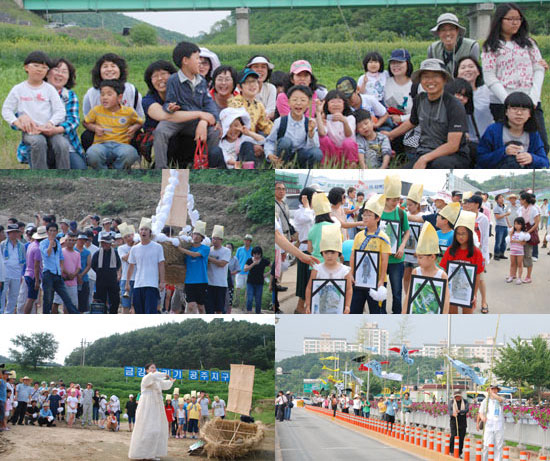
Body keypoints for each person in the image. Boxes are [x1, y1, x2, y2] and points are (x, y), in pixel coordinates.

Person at [481, 3, 548, 153]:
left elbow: (539, 68)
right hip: (501, 102)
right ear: (500, 20)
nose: (515, 22)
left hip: (531, 101)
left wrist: (532, 98)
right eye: (510, 19)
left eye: (518, 19)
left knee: (541, 143)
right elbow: (490, 76)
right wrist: (508, 101)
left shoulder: (529, 43)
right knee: (506, 146)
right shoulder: (491, 46)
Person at [384, 59, 470, 168]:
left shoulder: (454, 105)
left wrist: (425, 158)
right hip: (424, 152)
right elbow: (412, 122)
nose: (430, 81)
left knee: (439, 165)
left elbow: (452, 145)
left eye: (435, 76)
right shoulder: (420, 99)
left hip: (452, 156)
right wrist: (390, 135)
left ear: (444, 79)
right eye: (426, 77)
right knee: (402, 176)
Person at [152, 41, 223, 170]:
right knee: (161, 131)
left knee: (214, 131)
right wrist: (170, 107)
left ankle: (206, 165)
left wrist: (214, 119)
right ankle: (160, 167)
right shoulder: (174, 80)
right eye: (197, 59)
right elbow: (168, 102)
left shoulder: (201, 81)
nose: (199, 63)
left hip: (195, 121)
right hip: (179, 119)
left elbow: (208, 103)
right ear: (185, 61)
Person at [2, 51, 69, 169]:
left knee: (62, 144)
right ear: (26, 67)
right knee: (38, 142)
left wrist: (50, 123)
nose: (39, 70)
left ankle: (64, 175)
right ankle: (40, 176)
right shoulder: (18, 89)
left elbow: (60, 111)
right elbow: (6, 110)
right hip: (30, 131)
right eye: (36, 66)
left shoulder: (49, 89)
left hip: (48, 129)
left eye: (44, 67)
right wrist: (18, 123)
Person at [477, 92, 548, 168]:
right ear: (506, 112)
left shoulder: (533, 133)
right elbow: (480, 159)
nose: (519, 113)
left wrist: (532, 158)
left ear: (530, 114)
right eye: (514, 109)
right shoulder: (493, 130)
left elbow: (545, 162)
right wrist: (503, 152)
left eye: (524, 109)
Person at [84, 79, 142, 169]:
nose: (104, 97)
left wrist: (134, 128)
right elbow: (86, 122)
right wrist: (94, 128)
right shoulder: (96, 110)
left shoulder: (128, 112)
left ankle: (117, 170)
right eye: (102, 94)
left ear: (119, 97)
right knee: (92, 154)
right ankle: (103, 171)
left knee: (131, 153)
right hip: (101, 144)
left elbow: (140, 122)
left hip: (122, 144)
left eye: (109, 94)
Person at [349, 194, 391, 314]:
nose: (365, 217)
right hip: (358, 280)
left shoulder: (383, 237)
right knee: (354, 310)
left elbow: (384, 260)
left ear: (377, 218)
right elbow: (353, 256)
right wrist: (352, 273)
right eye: (364, 214)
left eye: (369, 215)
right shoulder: (358, 236)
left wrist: (381, 280)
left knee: (376, 312)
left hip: (376, 281)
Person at [265, 85, 322, 167]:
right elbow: (270, 141)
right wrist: (269, 154)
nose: (298, 103)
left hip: (300, 156)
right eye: (295, 100)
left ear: (309, 103)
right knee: (285, 142)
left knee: (317, 153)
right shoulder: (280, 121)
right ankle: (281, 167)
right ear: (288, 102)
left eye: (303, 100)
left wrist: (311, 133)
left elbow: (314, 148)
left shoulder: (310, 123)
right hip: (283, 154)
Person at [440, 210, 484, 314]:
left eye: (463, 234)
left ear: (469, 234)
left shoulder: (476, 252)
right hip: (452, 289)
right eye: (458, 234)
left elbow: (477, 275)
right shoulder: (450, 250)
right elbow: (444, 271)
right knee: (452, 313)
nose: (460, 237)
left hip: (468, 289)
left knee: (467, 314)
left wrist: (474, 294)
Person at [128, 363, 175, 459]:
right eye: (152, 367)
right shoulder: (146, 378)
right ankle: (141, 453)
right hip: (147, 405)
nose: (154, 369)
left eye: (155, 367)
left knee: (157, 429)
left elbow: (165, 385)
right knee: (146, 428)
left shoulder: (157, 380)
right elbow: (153, 376)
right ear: (147, 370)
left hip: (156, 405)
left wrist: (171, 381)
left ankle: (152, 454)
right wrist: (164, 374)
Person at [403, 222, 450, 313]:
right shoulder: (416, 271)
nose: (418, 261)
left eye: (421, 257)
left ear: (432, 257)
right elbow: (409, 295)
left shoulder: (442, 275)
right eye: (417, 257)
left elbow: (446, 300)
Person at [305, 224, 352, 315]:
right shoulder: (317, 269)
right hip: (320, 309)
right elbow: (309, 287)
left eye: (333, 252)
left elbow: (349, 289)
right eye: (326, 252)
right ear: (322, 253)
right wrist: (308, 304)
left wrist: (347, 305)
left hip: (337, 309)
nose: (329, 256)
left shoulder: (345, 271)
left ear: (338, 253)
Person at [382, 175, 410, 314]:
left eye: (397, 200)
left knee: (397, 290)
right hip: (381, 258)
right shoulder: (378, 212)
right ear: (386, 198)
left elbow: (407, 232)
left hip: (397, 258)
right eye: (393, 200)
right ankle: (381, 312)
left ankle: (397, 314)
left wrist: (401, 246)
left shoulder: (401, 213)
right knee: (381, 288)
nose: (395, 202)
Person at [126, 218, 165, 315]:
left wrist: (162, 281)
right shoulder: (134, 249)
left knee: (150, 312)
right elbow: (131, 266)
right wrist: (127, 283)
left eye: (146, 230)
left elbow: (161, 265)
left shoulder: (157, 247)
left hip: (151, 284)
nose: (143, 232)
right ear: (139, 232)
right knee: (139, 312)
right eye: (142, 230)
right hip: (138, 284)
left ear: (150, 232)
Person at [454, 57, 494, 144]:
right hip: (464, 142)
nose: (467, 69)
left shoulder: (488, 90)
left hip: (487, 141)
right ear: (457, 73)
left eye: (471, 66)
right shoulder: (452, 94)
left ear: (478, 72)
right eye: (463, 67)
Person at [317, 89, 359, 167]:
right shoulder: (326, 119)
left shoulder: (350, 118)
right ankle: (326, 164)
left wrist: (344, 122)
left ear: (344, 104)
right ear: (327, 105)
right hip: (333, 152)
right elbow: (322, 133)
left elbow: (348, 135)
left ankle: (350, 166)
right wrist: (319, 113)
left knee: (348, 142)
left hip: (347, 151)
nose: (336, 105)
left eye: (339, 102)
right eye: (332, 102)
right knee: (323, 139)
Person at [463, 194, 490, 313]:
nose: (467, 204)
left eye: (470, 202)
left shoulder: (483, 219)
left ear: (476, 205)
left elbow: (485, 239)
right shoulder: (464, 216)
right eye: (467, 202)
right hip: (465, 252)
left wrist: (484, 256)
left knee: (480, 279)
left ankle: (484, 301)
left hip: (478, 253)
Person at [228, 68, 273, 137]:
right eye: (248, 82)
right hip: (238, 139)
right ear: (239, 87)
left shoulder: (259, 105)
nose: (252, 85)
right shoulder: (234, 103)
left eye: (254, 81)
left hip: (253, 137)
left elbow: (265, 125)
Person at [293, 187, 316, 314]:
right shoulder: (300, 212)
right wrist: (306, 205)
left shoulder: (312, 211)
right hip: (304, 249)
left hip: (314, 249)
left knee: (311, 279)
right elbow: (307, 219)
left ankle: (307, 306)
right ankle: (300, 307)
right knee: (304, 279)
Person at [179, 220, 209, 314]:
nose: (195, 236)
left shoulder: (205, 248)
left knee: (200, 306)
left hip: (201, 281)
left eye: (198, 235)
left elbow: (195, 255)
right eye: (194, 234)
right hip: (189, 281)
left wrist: (181, 249)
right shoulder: (188, 247)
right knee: (191, 305)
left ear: (202, 238)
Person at [91, 231, 121, 314]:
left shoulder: (115, 253)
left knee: (115, 300)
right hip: (101, 280)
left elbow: (118, 264)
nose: (104, 245)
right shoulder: (97, 253)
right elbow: (93, 265)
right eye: (102, 243)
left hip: (112, 280)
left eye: (105, 243)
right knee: (100, 300)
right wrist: (100, 272)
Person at [384, 49, 414, 128]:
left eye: (400, 62)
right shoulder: (385, 82)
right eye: (393, 63)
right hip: (388, 124)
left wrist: (401, 118)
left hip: (410, 126)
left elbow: (420, 113)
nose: (395, 65)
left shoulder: (415, 85)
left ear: (408, 64)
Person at [1, 224, 25, 314]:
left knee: (14, 296)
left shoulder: (21, 246)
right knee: (2, 295)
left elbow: (23, 261)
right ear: (9, 233)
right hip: (5, 274)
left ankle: (9, 314)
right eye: (12, 232)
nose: (14, 234)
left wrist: (21, 275)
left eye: (16, 232)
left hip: (16, 274)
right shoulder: (3, 245)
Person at [206, 225, 231, 314]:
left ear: (221, 240)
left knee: (219, 309)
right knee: (209, 309)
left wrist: (208, 258)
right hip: (209, 283)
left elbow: (222, 264)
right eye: (213, 238)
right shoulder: (208, 250)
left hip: (220, 284)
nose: (215, 241)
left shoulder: (226, 251)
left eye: (217, 239)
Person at [478, 384, 505, 461]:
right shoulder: (485, 401)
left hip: (499, 425)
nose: (494, 390)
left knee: (498, 446)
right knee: (487, 445)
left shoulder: (500, 399)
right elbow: (481, 412)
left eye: (495, 389)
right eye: (492, 389)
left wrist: (492, 394)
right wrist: (483, 417)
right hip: (489, 425)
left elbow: (501, 400)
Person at [245, 55, 277, 119]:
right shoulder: (242, 87)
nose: (260, 70)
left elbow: (271, 111)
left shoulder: (271, 88)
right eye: (256, 67)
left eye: (263, 67)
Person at [519, 191, 540, 283]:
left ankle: (528, 276)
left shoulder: (534, 209)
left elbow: (536, 224)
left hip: (529, 234)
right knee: (519, 255)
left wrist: (527, 233)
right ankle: (517, 275)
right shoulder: (521, 209)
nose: (519, 200)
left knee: (528, 255)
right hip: (521, 232)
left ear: (525, 200)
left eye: (520, 199)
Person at [244, 246, 270, 314]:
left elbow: (273, 267)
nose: (256, 256)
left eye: (258, 254)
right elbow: (245, 269)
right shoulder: (249, 260)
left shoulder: (264, 261)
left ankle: (258, 312)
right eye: (255, 254)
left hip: (259, 283)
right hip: (250, 282)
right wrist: (253, 264)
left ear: (261, 254)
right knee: (250, 298)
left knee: (258, 299)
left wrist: (267, 274)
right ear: (252, 254)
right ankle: (249, 311)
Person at [117, 223, 135, 314]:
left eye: (130, 236)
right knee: (125, 305)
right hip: (125, 279)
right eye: (126, 237)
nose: (129, 238)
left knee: (135, 304)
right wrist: (134, 247)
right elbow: (126, 259)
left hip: (137, 279)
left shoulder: (139, 246)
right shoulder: (121, 248)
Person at [507, 217, 529, 284]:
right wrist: (516, 240)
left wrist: (516, 241)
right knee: (512, 264)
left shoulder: (523, 233)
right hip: (512, 251)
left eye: (518, 224)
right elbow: (510, 240)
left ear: (522, 225)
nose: (516, 225)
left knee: (520, 264)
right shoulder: (512, 232)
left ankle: (519, 278)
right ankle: (511, 276)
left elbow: (523, 243)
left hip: (520, 252)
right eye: (515, 224)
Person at [235, 234, 253, 308]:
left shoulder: (253, 250)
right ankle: (237, 301)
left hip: (249, 272)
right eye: (245, 240)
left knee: (247, 288)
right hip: (240, 271)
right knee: (238, 287)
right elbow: (236, 260)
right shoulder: (239, 249)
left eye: (248, 240)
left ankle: (245, 303)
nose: (246, 242)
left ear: (250, 241)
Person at [449, 391, 469, 457]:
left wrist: (460, 411)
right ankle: (451, 451)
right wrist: (453, 414)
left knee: (461, 438)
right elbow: (450, 411)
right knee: (453, 436)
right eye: (456, 396)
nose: (458, 397)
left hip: (462, 422)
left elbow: (466, 410)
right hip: (454, 422)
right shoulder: (451, 402)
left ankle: (459, 453)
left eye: (459, 396)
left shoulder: (465, 402)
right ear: (454, 396)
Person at [493, 194, 512, 260]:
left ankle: (501, 254)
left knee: (504, 241)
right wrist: (506, 214)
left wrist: (508, 224)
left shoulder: (504, 207)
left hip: (505, 226)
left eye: (502, 197)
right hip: (499, 226)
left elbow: (505, 217)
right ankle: (496, 255)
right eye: (500, 198)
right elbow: (497, 217)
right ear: (497, 200)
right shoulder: (496, 208)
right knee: (498, 241)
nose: (502, 199)